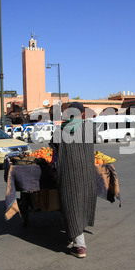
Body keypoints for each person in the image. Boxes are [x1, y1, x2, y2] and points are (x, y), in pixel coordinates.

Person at [51, 102, 97, 258]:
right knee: (82, 203)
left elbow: (54, 146)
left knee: (72, 204)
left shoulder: (61, 130)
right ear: (82, 114)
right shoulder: (90, 129)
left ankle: (79, 246)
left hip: (69, 174)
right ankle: (74, 235)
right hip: (88, 173)